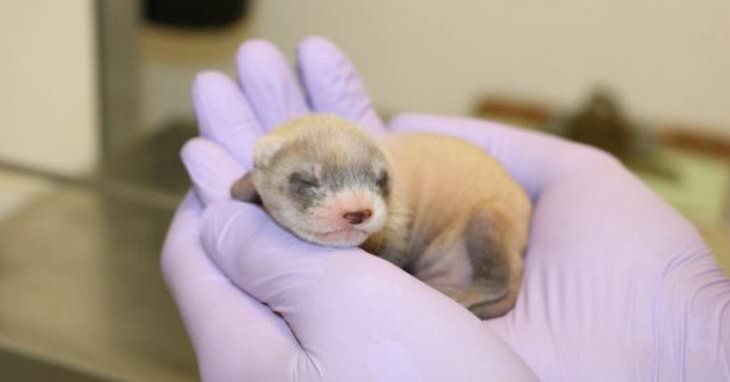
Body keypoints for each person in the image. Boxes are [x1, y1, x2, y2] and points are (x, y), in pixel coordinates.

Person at [162, 36, 730, 381]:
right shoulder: (263, 173)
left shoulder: (395, 212)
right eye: (310, 185)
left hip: (475, 224)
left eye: (376, 185)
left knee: (486, 220)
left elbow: (384, 227)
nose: (359, 207)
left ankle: (492, 291)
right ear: (260, 178)